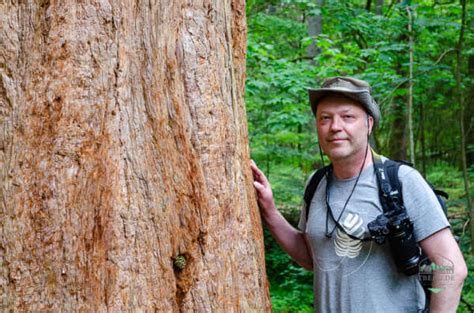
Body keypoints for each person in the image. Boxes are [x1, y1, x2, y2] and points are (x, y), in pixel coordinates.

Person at [250, 77, 467, 313]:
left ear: (369, 123)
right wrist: (269, 210)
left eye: (347, 117)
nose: (335, 127)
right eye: (325, 118)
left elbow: (451, 267)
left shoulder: (402, 181)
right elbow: (312, 259)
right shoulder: (317, 183)